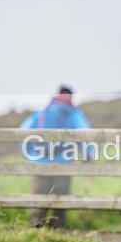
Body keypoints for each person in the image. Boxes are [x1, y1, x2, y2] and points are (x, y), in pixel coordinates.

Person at [19, 86, 93, 228]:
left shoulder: (42, 112)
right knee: (61, 197)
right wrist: (87, 154)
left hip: (39, 161)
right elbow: (84, 133)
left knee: (39, 195)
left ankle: (35, 225)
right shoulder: (73, 113)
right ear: (71, 97)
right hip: (63, 162)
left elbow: (24, 130)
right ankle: (57, 229)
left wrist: (28, 153)